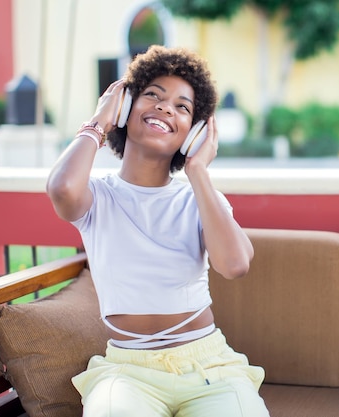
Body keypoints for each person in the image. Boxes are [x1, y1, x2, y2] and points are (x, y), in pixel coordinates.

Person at [46, 45, 270, 417]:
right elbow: (62, 189)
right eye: (153, 95)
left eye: (183, 107)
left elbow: (235, 264)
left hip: (207, 366)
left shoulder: (199, 198)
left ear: (194, 131)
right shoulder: (97, 197)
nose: (166, 107)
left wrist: (198, 171)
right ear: (126, 107)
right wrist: (99, 120)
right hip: (128, 370)